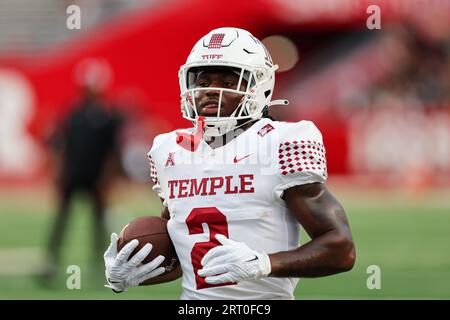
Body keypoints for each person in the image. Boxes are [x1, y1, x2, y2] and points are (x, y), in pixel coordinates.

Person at [104, 27, 355, 299]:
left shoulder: (280, 142)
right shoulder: (169, 150)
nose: (211, 90)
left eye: (227, 81)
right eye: (203, 81)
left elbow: (341, 249)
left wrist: (263, 264)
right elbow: (188, 253)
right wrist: (130, 271)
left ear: (260, 85)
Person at [42, 78, 123, 284]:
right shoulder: (73, 114)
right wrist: (59, 173)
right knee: (61, 221)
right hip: (73, 175)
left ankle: (102, 265)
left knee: (98, 224)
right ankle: (50, 263)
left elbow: (112, 152)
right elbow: (61, 146)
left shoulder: (107, 117)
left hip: (95, 178)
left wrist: (107, 179)